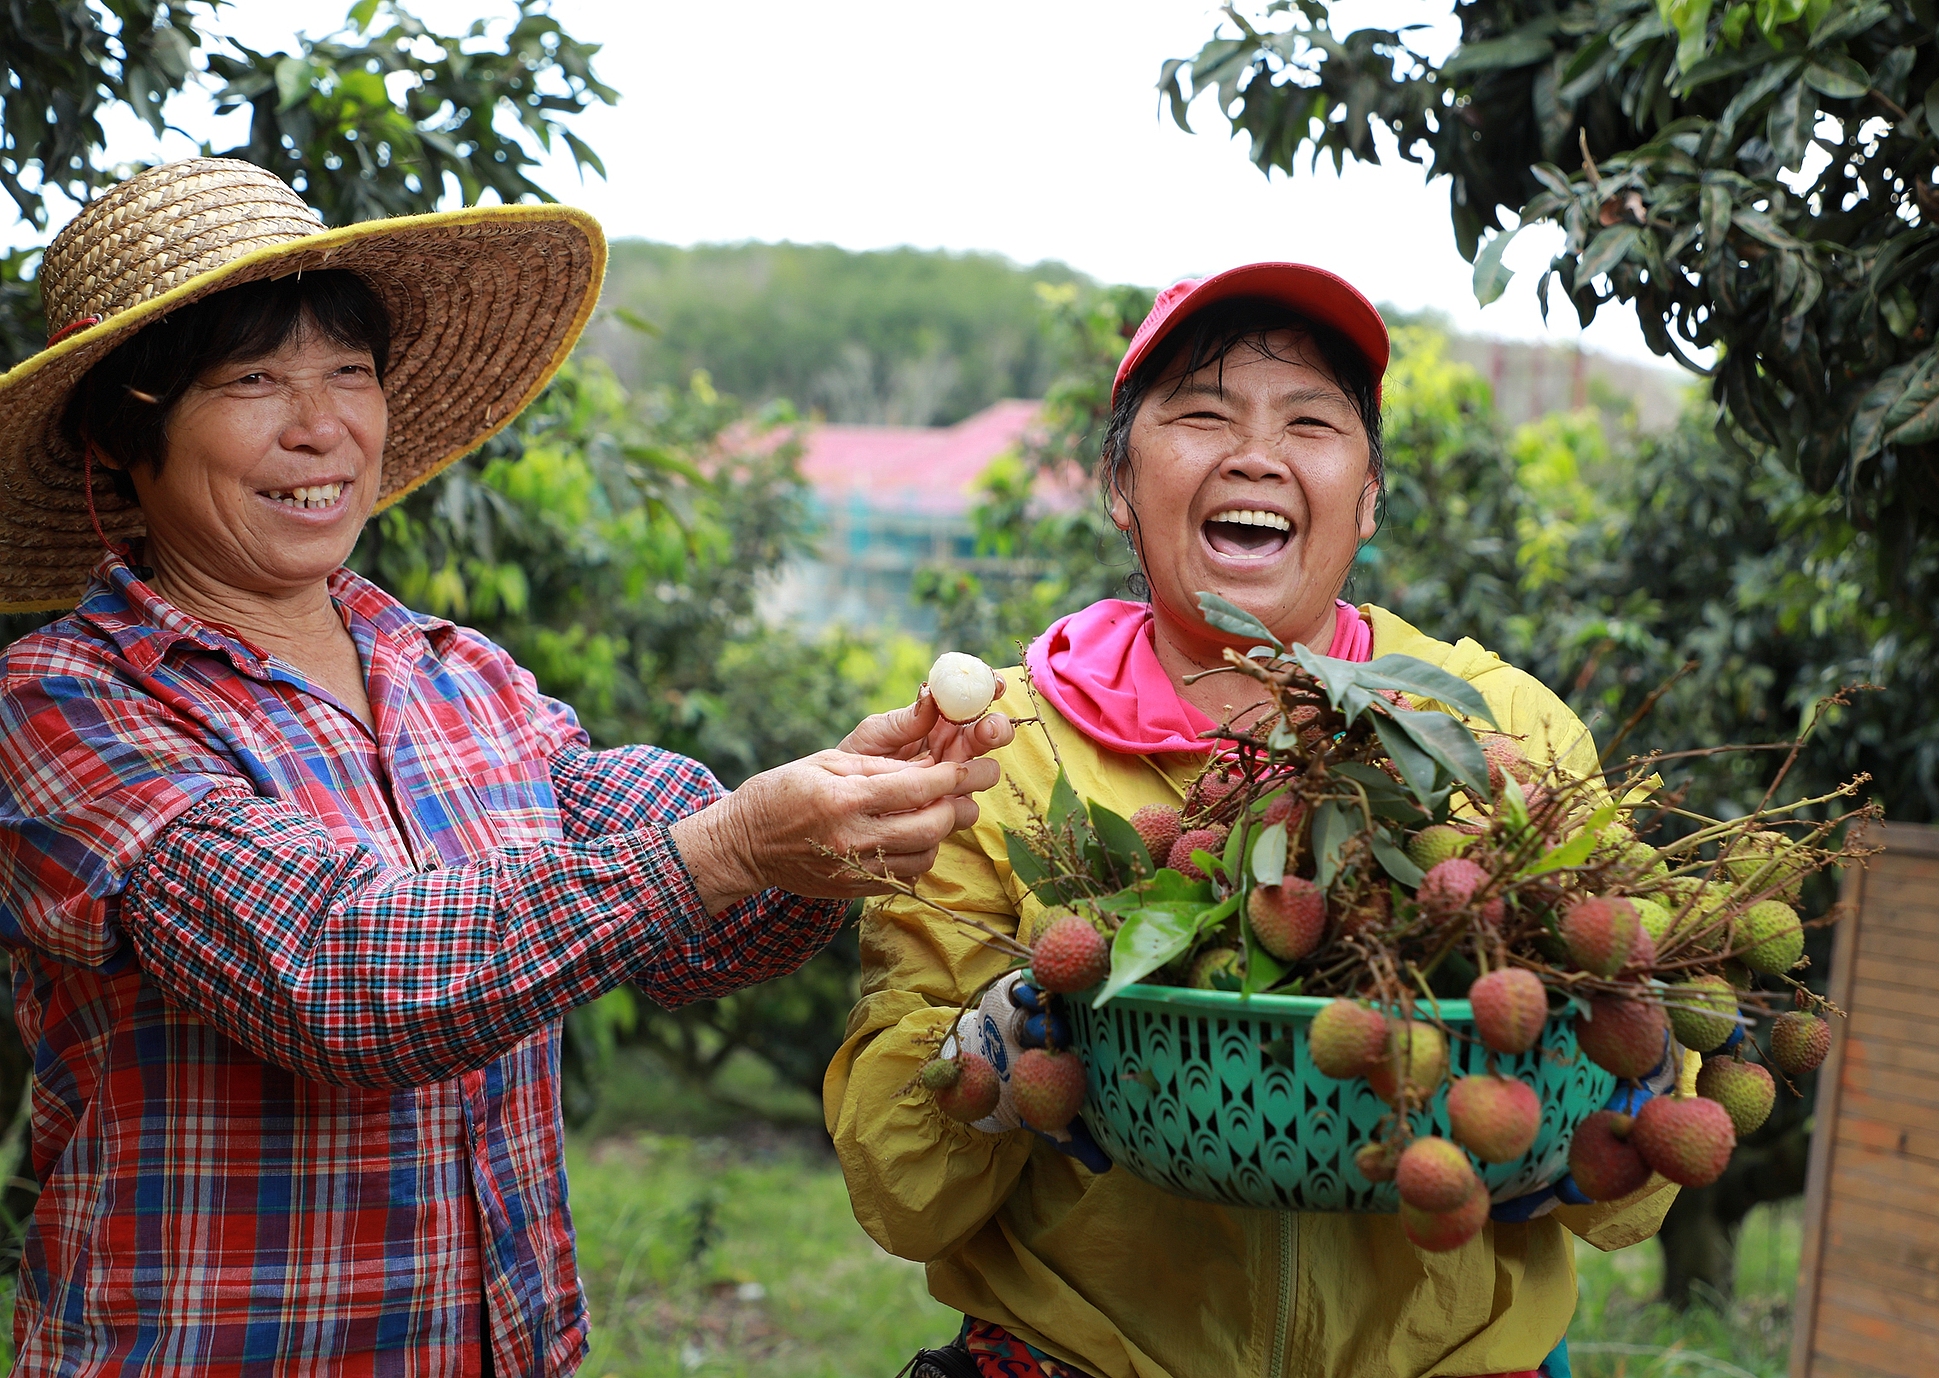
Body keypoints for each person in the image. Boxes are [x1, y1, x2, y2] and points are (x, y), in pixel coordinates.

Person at [0, 159, 1012, 1373]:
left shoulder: (459, 673)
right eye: (252, 379)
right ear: (130, 432)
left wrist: (841, 808)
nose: (320, 424)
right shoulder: (70, 698)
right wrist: (731, 847)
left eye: (348, 373)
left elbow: (690, 922)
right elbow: (326, 973)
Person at [826, 264, 1693, 1378]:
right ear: (1118, 486)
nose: (1254, 453)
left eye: (1309, 421)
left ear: (1368, 495)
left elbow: (1634, 1186)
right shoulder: (995, 749)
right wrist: (999, 1039)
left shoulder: (1493, 728)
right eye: (1200, 414)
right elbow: (902, 1194)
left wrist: (1610, 1092)